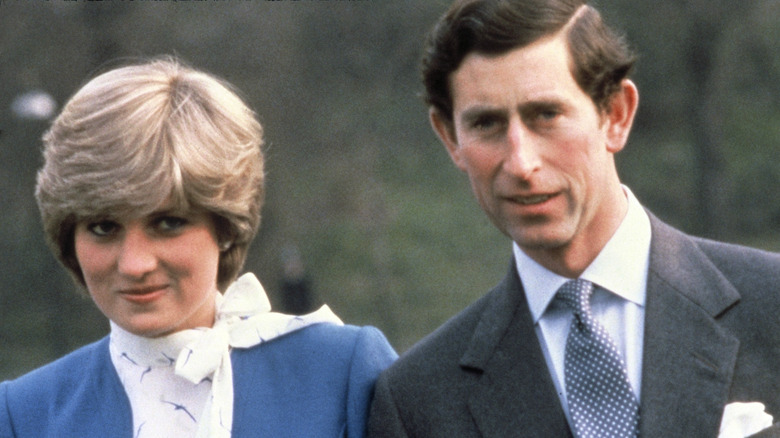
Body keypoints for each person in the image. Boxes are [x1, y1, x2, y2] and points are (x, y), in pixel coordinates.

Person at [367, 1, 780, 437]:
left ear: (616, 114)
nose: (521, 163)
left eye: (546, 115)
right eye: (486, 124)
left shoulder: (772, 306)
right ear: (450, 136)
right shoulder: (418, 403)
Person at [0, 57, 397, 438]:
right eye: (104, 227)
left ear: (225, 225)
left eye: (168, 223)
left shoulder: (342, 372)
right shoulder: (23, 415)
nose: (135, 263)